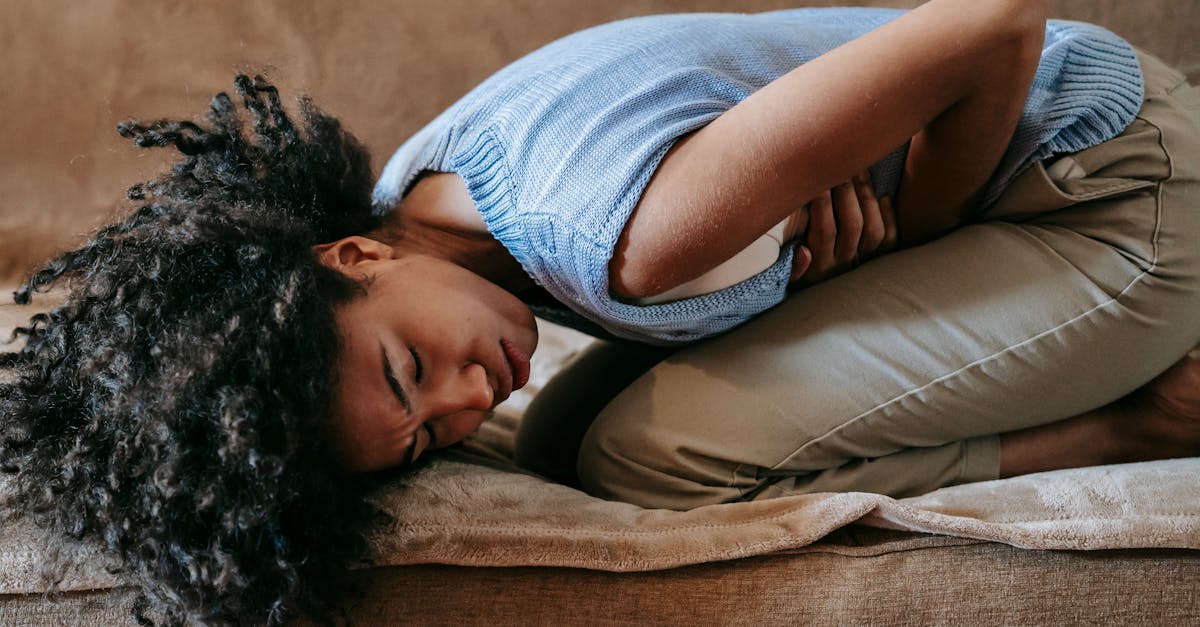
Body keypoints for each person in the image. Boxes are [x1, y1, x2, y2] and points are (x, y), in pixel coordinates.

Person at [2, 0, 1197, 623]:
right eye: (427, 437)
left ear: (351, 254)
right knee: (570, 440)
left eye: (414, 369)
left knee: (645, 458)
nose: (479, 399)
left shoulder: (625, 239)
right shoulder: (431, 191)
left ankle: (1147, 424)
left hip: (1115, 196)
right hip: (1068, 173)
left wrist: (918, 234)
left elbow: (989, 25)